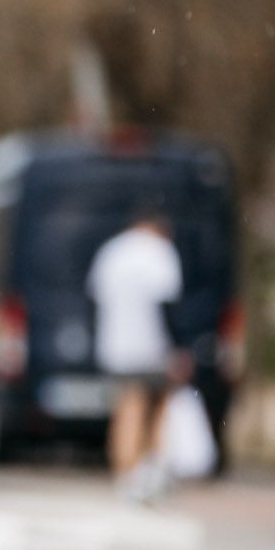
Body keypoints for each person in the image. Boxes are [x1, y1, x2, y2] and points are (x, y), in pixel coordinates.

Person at [87, 212, 186, 503]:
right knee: (157, 410)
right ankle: (151, 472)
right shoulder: (159, 253)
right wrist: (177, 346)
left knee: (127, 408)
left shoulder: (112, 251)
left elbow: (94, 299)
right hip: (152, 346)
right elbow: (167, 304)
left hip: (117, 346)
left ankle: (125, 474)